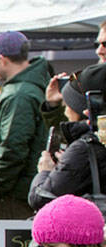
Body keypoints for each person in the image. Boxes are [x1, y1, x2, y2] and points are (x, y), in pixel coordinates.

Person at [0, 31, 51, 219]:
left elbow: (13, 147)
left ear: (2, 59)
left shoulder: (19, 95)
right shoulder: (30, 86)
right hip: (19, 190)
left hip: (10, 196)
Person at [30, 64, 106, 207]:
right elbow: (73, 129)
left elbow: (42, 198)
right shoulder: (92, 141)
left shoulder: (86, 147)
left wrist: (45, 171)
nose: (65, 111)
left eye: (67, 104)